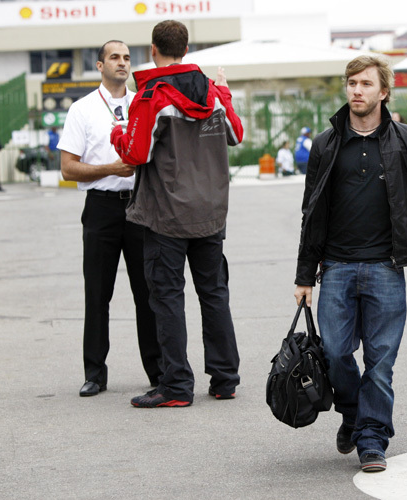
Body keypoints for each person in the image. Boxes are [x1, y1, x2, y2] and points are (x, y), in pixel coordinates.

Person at [293, 55, 407, 473]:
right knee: (337, 354)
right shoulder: (326, 144)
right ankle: (353, 414)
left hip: (387, 268)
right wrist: (305, 275)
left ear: (383, 92)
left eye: (366, 84)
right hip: (336, 268)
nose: (357, 90)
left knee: (380, 362)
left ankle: (372, 437)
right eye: (352, 83)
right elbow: (311, 212)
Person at [110, 20, 244, 408]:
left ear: (154, 49)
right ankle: (224, 379)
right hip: (211, 212)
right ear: (186, 50)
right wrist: (226, 93)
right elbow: (236, 135)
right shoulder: (212, 92)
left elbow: (134, 153)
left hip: (167, 215)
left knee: (167, 298)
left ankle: (175, 386)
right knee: (214, 294)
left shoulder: (152, 95)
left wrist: (117, 132)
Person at [58, 40, 161, 398]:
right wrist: (109, 169)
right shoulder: (82, 109)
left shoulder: (144, 104)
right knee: (97, 292)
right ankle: (95, 373)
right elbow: (68, 168)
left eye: (127, 58)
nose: (122, 63)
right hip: (101, 207)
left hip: (140, 205)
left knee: (147, 293)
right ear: (100, 65)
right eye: (114, 57)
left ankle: (157, 369)